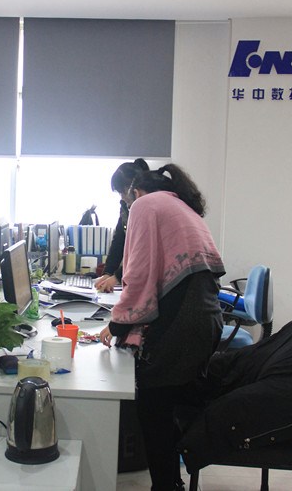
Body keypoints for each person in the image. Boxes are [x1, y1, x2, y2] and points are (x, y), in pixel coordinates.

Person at [99, 164, 225, 491]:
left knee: (152, 407)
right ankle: (172, 481)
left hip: (183, 322)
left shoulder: (145, 204)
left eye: (125, 199)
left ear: (135, 192)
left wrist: (117, 324)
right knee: (165, 404)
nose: (125, 205)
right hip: (204, 319)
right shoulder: (178, 204)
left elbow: (139, 274)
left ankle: (167, 485)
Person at [95, 158, 150, 292]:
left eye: (122, 192)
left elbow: (143, 250)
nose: (122, 197)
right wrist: (108, 273)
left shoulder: (148, 208)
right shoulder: (126, 207)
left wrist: (116, 277)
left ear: (133, 188)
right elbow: (119, 240)